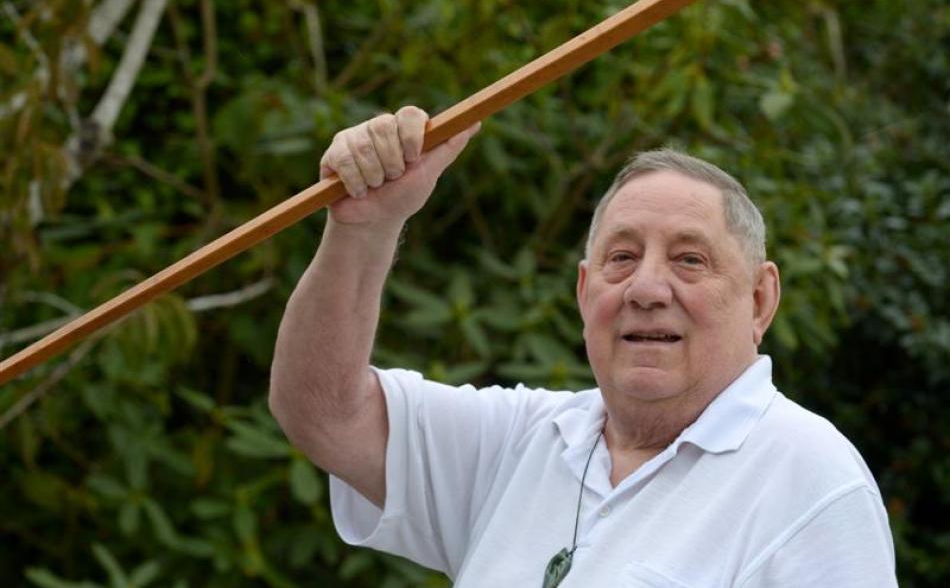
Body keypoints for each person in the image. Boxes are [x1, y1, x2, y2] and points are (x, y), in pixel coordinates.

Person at [269, 107, 898, 587]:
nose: (648, 288)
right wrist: (367, 228)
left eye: (690, 259)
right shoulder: (517, 442)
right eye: (622, 257)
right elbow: (323, 411)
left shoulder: (813, 480)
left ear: (761, 300)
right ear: (583, 289)